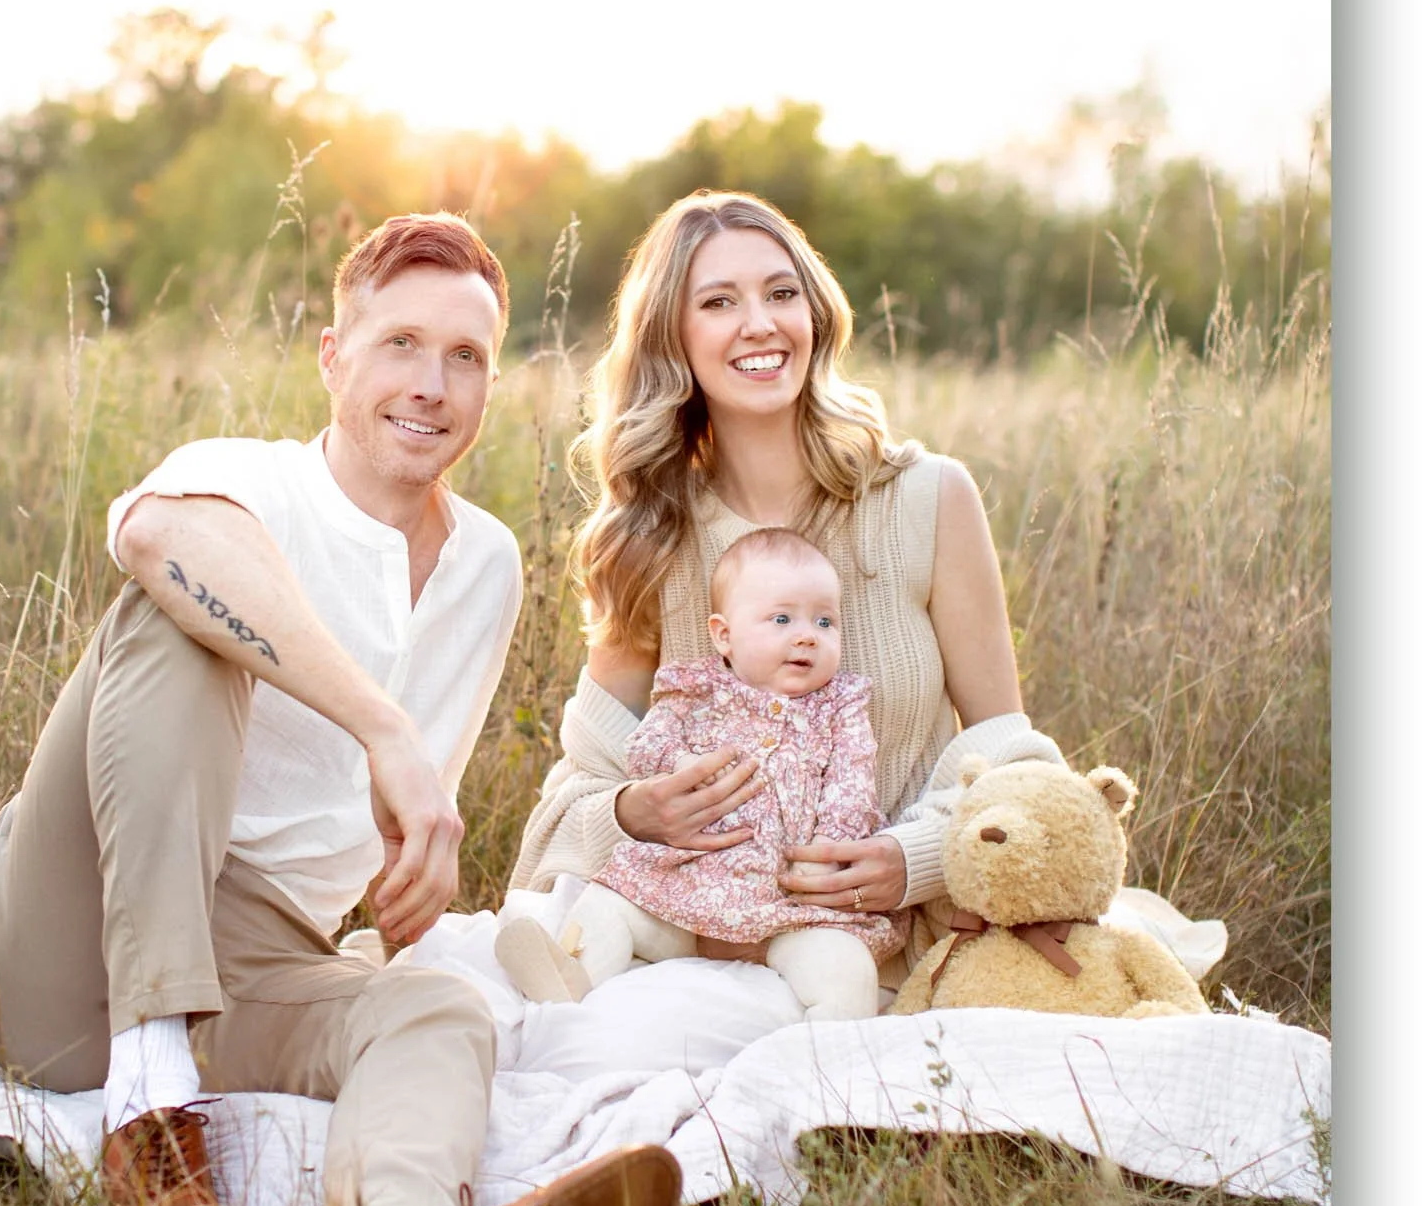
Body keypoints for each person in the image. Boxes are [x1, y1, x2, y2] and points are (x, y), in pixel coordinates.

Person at [0, 211, 683, 1206]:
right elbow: (158, 544)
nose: (431, 385)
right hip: (69, 935)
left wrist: (404, 878)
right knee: (182, 620)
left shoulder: (486, 563)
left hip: (256, 962)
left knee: (441, 1012)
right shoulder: (248, 485)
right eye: (399, 344)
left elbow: (376, 821)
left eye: (465, 357)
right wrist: (384, 730)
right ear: (334, 358)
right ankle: (149, 1102)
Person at [406, 188, 1085, 1082]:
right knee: (534, 1032)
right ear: (672, 341)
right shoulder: (647, 538)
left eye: (781, 292)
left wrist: (908, 861)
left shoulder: (928, 499)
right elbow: (570, 803)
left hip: (866, 945)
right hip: (700, 938)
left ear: (816, 311)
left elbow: (1016, 763)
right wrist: (631, 812)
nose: (759, 324)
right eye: (718, 302)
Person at [492, 526, 907, 1018]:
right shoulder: (695, 691)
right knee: (611, 904)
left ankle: (817, 1053)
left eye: (825, 622)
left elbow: (851, 785)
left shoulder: (839, 705)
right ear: (724, 635)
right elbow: (647, 743)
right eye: (781, 619)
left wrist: (828, 851)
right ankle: (570, 976)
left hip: (792, 908)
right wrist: (678, 765)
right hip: (686, 891)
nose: (806, 635)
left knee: (846, 968)